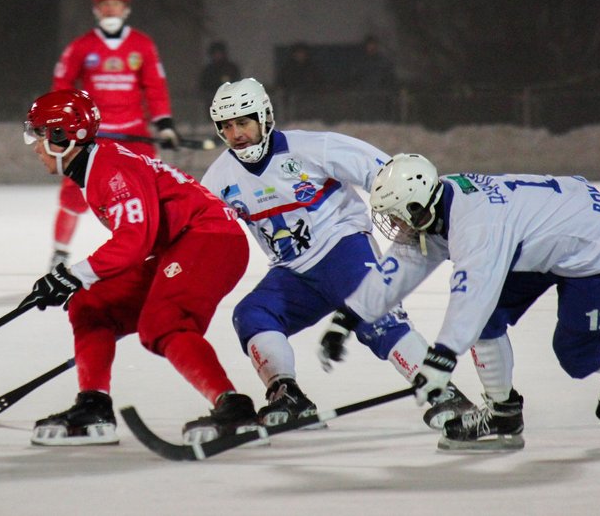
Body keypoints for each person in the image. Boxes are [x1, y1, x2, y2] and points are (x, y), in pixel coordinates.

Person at [200, 79, 472, 430]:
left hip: (342, 249)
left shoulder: (313, 147)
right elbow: (199, 227)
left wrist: (415, 209)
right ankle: (286, 393)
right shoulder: (218, 177)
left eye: (244, 122)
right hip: (293, 272)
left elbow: (382, 170)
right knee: (252, 314)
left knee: (376, 318)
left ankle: (443, 391)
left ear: (265, 117)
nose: (236, 133)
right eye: (227, 126)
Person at [318, 153, 600, 451]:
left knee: (577, 358)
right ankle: (503, 412)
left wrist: (442, 357)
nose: (395, 226)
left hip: (595, 249)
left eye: (396, 216)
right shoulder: (440, 201)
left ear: (414, 206)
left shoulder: (476, 228)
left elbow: (472, 295)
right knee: (486, 321)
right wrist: (347, 317)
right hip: (546, 238)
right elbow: (397, 268)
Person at [20, 88, 256, 446]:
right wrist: (77, 282)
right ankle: (94, 406)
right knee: (91, 304)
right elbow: (138, 240)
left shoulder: (109, 170)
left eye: (39, 134)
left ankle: (234, 408)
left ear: (62, 137)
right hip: (185, 243)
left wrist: (73, 275)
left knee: (162, 323)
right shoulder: (100, 166)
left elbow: (133, 243)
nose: (34, 145)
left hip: (209, 239)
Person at [47, 0, 180, 270]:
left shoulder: (142, 44)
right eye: (105, 4)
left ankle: (161, 250)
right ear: (97, 10)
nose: (110, 9)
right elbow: (62, 84)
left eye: (116, 4)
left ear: (126, 9)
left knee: (151, 191)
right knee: (74, 194)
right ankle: (59, 254)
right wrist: (62, 120)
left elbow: (155, 86)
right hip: (92, 136)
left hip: (135, 135)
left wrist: (164, 124)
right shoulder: (82, 46)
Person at [197, 40, 241, 106]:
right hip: (213, 102)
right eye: (215, 53)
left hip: (230, 102)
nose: (217, 56)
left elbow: (237, 83)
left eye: (219, 53)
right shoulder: (208, 70)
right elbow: (203, 86)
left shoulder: (231, 68)